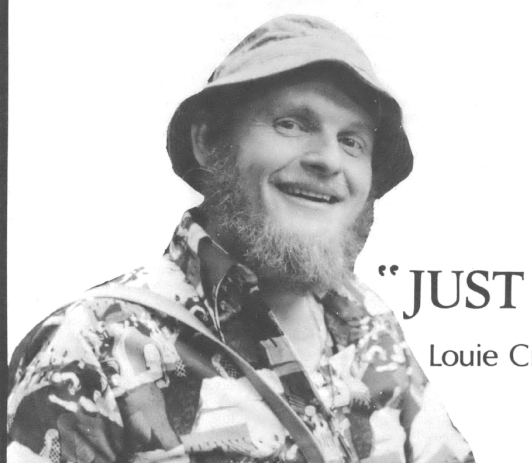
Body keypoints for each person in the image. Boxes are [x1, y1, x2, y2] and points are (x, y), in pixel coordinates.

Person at [6, 15, 474, 463]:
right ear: (209, 142)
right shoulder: (92, 346)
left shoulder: (371, 326)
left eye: (352, 141)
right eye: (292, 123)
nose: (329, 160)